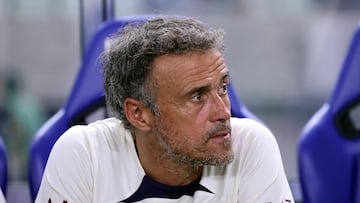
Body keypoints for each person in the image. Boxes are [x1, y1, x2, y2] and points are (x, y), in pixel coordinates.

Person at [35, 16, 294, 202]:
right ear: (139, 114)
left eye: (223, 88)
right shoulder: (84, 153)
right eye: (197, 96)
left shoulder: (250, 144)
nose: (223, 111)